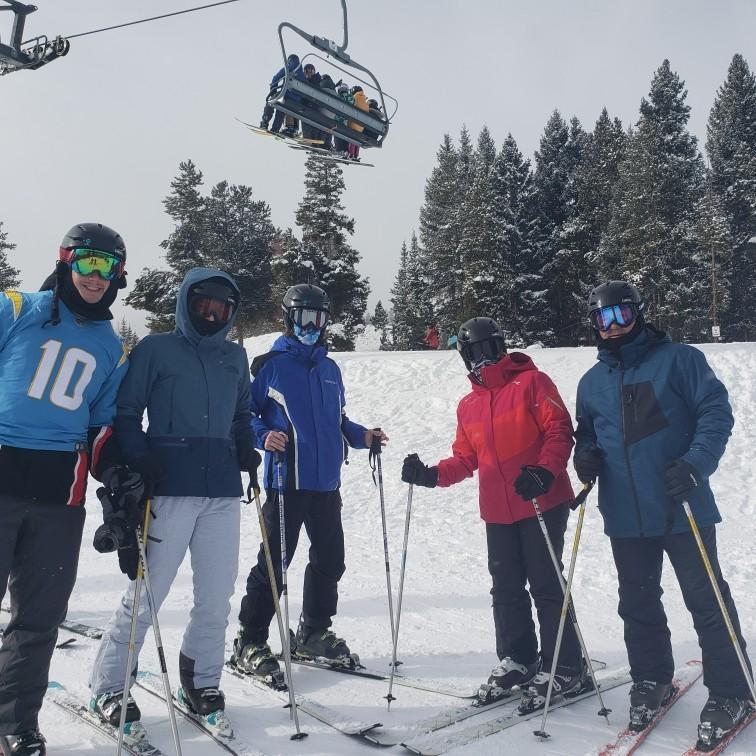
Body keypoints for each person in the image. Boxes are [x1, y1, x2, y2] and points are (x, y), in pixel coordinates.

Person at [574, 280, 754, 740]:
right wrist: (586, 457)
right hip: (624, 512)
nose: (612, 327)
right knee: (637, 603)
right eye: (602, 318)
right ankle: (651, 678)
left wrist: (696, 463)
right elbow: (587, 434)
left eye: (621, 315)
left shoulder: (680, 360)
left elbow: (716, 413)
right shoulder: (592, 382)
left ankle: (732, 691)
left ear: (639, 313)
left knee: (706, 600)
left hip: (680, 503)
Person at [89, 268, 260, 742]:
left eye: (221, 308)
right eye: (203, 304)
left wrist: (246, 447)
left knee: (216, 596)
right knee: (147, 594)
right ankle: (109, 685)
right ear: (187, 302)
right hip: (167, 488)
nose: (211, 313)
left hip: (221, 492)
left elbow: (242, 414)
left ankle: (202, 680)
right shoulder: (155, 350)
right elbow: (126, 412)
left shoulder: (234, 357)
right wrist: (141, 457)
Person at [401, 317, 583, 709]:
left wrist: (545, 470)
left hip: (540, 500)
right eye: (473, 352)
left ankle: (567, 665)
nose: (482, 359)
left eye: (489, 349)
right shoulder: (469, 405)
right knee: (505, 587)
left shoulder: (533, 383)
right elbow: (466, 459)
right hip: (498, 510)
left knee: (546, 584)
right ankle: (519, 657)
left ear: (501, 347)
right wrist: (431, 475)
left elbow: (559, 430)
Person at [0, 223, 132, 756]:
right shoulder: (15, 308)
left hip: (60, 494)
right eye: (86, 262)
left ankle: (16, 722)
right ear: (65, 262)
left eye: (106, 265)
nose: (95, 276)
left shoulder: (112, 347)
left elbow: (101, 427)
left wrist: (120, 473)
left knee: (37, 619)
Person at [232, 284, 387, 678]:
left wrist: (362, 436)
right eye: (303, 317)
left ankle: (314, 631)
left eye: (318, 318)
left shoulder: (330, 369)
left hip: (325, 484)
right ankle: (250, 639)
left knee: (330, 560)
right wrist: (263, 436)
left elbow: (337, 421)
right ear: (288, 318)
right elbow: (246, 415)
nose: (311, 326)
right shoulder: (269, 365)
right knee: (275, 563)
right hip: (287, 482)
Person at [260, 53, 304, 136]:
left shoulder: (289, 67)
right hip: (296, 102)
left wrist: (273, 89)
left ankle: (265, 122)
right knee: (281, 109)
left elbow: (276, 78)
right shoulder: (302, 73)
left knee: (271, 102)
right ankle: (275, 129)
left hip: (287, 97)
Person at [347, 85, 369, 160]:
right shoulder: (365, 103)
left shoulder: (354, 98)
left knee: (352, 137)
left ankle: (350, 154)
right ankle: (356, 154)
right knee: (357, 138)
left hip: (353, 124)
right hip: (361, 127)